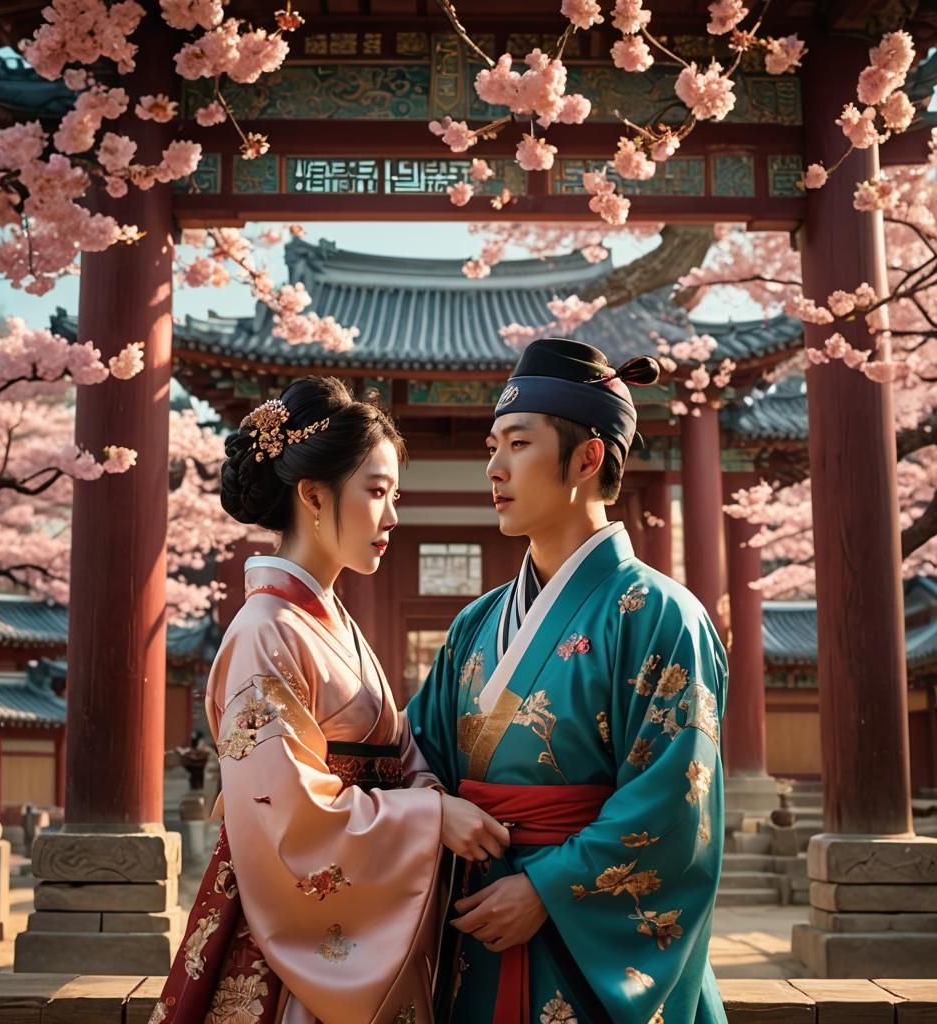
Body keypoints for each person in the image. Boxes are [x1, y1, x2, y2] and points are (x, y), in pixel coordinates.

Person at [153, 377, 509, 1024]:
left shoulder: (328, 624)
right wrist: (430, 822)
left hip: (347, 916)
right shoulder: (265, 632)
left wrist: (433, 799)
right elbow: (287, 815)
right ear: (313, 495)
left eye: (394, 494)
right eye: (377, 492)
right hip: (287, 955)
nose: (394, 516)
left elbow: (400, 755)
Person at [407, 338, 728, 1024]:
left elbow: (675, 806)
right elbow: (415, 751)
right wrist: (433, 807)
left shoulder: (663, 616)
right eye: (492, 446)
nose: (493, 467)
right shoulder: (475, 623)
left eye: (517, 444)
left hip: (578, 937)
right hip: (478, 925)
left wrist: (548, 890)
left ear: (586, 457)